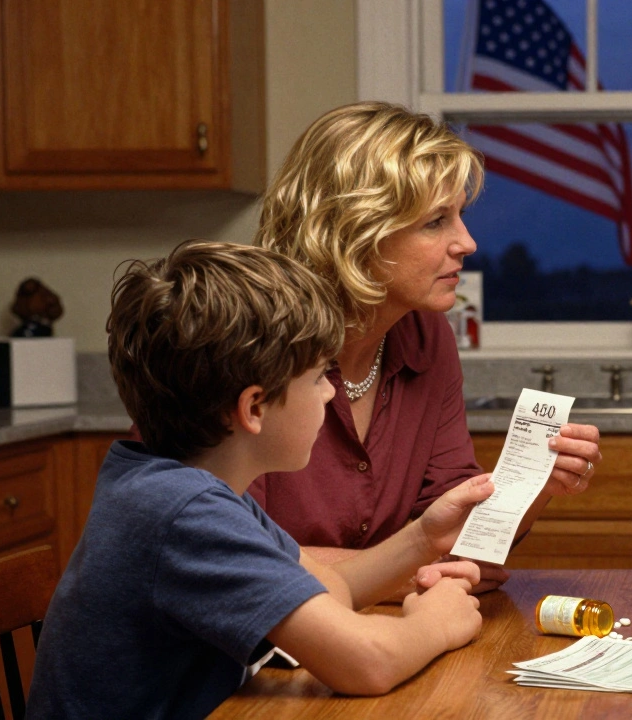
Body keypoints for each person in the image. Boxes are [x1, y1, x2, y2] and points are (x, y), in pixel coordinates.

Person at [30, 242, 493, 719]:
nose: (332, 391)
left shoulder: (184, 484)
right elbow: (369, 662)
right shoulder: (184, 513)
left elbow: (331, 588)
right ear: (254, 408)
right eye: (317, 378)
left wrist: (423, 538)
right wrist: (436, 622)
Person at [250, 102, 602, 592]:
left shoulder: (424, 334)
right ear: (354, 232)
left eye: (459, 215)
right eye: (436, 222)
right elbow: (238, 559)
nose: (468, 242)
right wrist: (410, 573)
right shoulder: (244, 344)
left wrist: (533, 487)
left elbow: (457, 538)